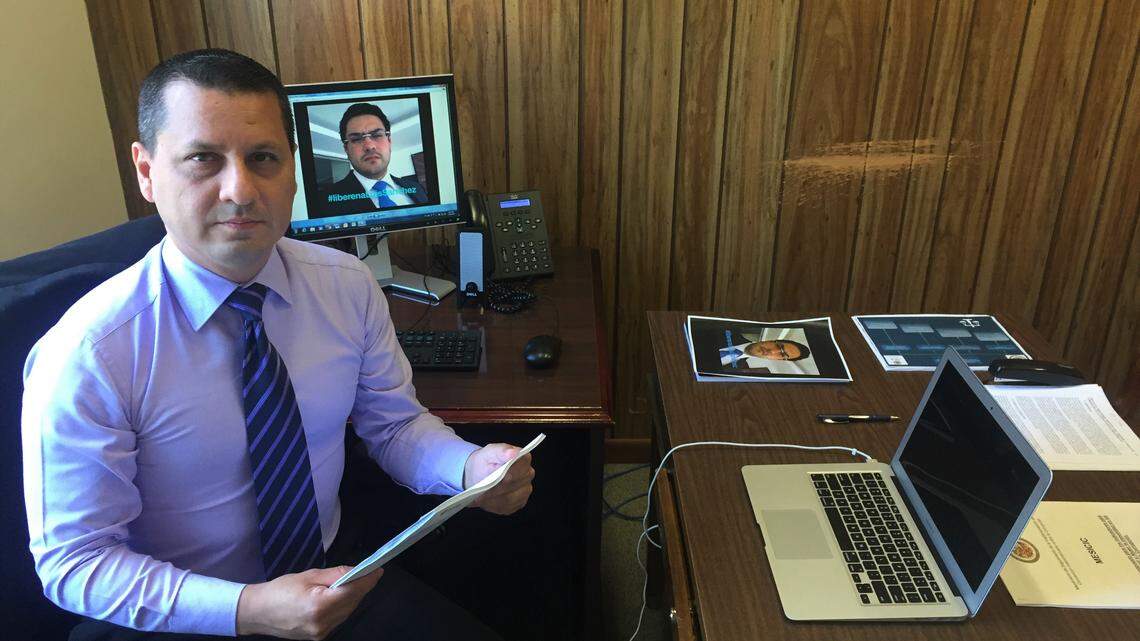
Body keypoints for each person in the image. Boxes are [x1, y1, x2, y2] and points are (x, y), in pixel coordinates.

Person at [21, 49, 530, 641]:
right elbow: (75, 564)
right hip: (178, 610)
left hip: (334, 581)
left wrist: (469, 467)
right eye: (202, 160)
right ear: (145, 170)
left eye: (262, 158)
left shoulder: (346, 286)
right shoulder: (90, 352)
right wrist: (251, 609)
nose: (240, 190)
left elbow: (392, 427)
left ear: (293, 168)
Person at [320, 103, 430, 217]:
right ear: (346, 149)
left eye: (377, 135)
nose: (369, 146)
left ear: (389, 141)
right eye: (356, 139)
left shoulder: (416, 188)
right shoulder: (323, 202)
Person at [720, 337, 811, 367]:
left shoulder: (737, 371)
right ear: (770, 340)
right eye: (779, 346)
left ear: (778, 360)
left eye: (782, 354)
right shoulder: (726, 328)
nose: (772, 351)